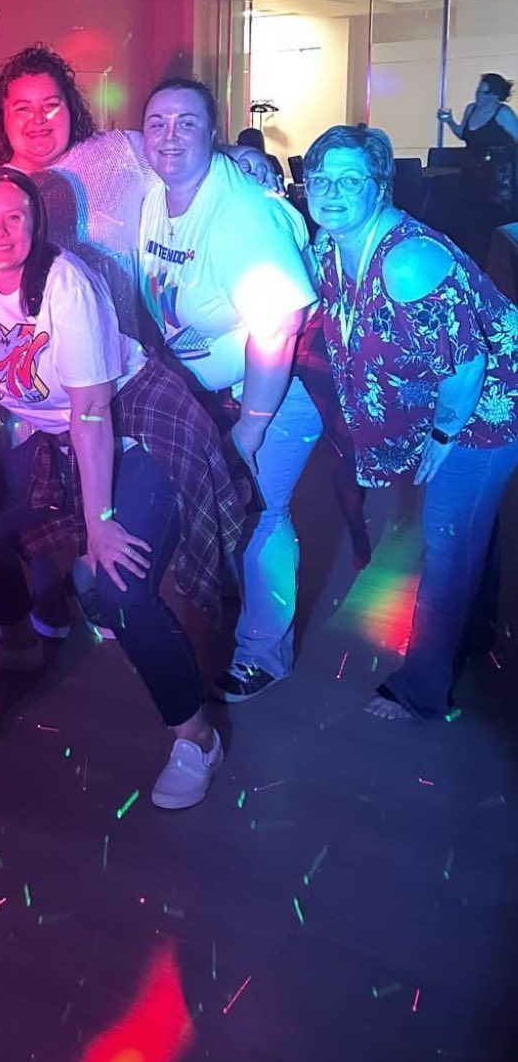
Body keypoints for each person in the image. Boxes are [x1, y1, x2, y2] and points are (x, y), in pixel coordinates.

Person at [0, 169, 246, 810]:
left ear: (37, 223)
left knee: (120, 583)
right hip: (65, 437)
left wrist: (101, 521)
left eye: (15, 218)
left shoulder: (66, 284)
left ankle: (196, 736)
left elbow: (92, 415)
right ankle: (24, 641)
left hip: (133, 420)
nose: (1, 233)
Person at [305, 123, 518, 720]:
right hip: (457, 395)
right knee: (473, 527)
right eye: (320, 178)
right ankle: (475, 635)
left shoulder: (408, 264)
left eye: (350, 179)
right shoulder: (330, 247)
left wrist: (445, 433)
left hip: (488, 407)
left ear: (381, 187)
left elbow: (469, 363)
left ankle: (423, 688)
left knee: (448, 540)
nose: (331, 191)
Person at [138, 77, 320, 704]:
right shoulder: (159, 196)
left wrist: (252, 423)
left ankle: (264, 653)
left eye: (186, 122)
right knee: (226, 506)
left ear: (211, 134)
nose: (169, 135)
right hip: (213, 391)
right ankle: (230, 602)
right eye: (157, 121)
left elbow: (278, 323)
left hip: (274, 390)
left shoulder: (239, 211)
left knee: (261, 509)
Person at [0, 44, 154, 340]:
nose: (38, 119)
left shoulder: (121, 153)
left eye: (50, 105)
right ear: (2, 116)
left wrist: (243, 158)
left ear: (70, 108)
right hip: (24, 366)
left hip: (122, 359)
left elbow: (184, 157)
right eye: (23, 108)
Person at [438, 74, 518, 264]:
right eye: (478, 91)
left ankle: (493, 270)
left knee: (490, 226)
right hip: (471, 175)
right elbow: (464, 135)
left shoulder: (503, 113)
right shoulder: (471, 109)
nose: (478, 96)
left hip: (497, 181)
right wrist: (449, 121)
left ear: (495, 95)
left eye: (483, 93)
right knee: (467, 222)